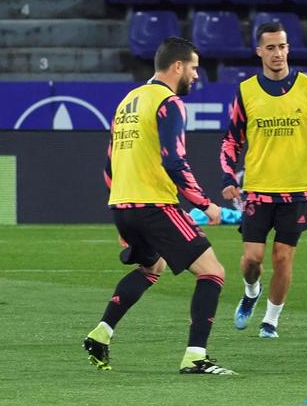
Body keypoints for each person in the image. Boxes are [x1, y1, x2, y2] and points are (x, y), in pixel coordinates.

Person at [83, 37, 235, 375]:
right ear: (177, 66)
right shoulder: (169, 102)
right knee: (213, 271)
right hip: (154, 204)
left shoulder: (129, 101)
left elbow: (109, 163)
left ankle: (101, 333)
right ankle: (196, 357)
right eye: (193, 67)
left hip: (122, 204)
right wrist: (205, 204)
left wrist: (122, 209)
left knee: (151, 268)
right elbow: (174, 160)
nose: (196, 75)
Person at [220, 21, 307, 339]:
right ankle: (251, 291)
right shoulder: (246, 91)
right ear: (259, 51)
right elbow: (231, 140)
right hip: (258, 189)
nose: (278, 53)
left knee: (283, 257)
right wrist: (228, 176)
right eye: (270, 47)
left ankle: (271, 319)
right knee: (252, 260)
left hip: (298, 189)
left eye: (282, 46)